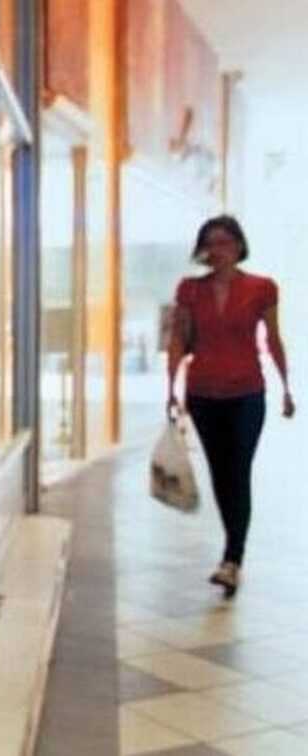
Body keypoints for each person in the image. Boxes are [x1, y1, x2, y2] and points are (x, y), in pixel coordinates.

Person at [167, 215, 294, 596]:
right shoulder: (190, 289)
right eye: (210, 243)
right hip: (203, 393)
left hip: (247, 393)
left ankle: (232, 559)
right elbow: (178, 339)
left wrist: (286, 386)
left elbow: (272, 338)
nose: (217, 249)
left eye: (224, 242)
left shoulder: (262, 288)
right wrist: (171, 388)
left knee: (238, 470)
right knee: (221, 474)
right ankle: (232, 553)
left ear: (239, 246)